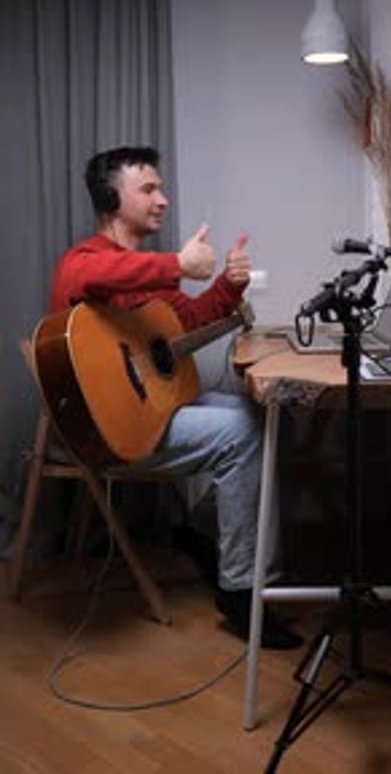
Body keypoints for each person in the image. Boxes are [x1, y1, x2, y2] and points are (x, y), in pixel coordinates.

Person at [49, 145, 303, 650]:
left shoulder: (149, 271)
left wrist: (229, 288)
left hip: (154, 410)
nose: (162, 200)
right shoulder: (84, 260)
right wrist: (177, 264)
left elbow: (187, 321)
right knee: (242, 432)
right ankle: (242, 591)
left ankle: (205, 537)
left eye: (161, 188)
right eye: (148, 189)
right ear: (110, 197)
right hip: (110, 427)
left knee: (261, 412)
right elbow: (87, 279)